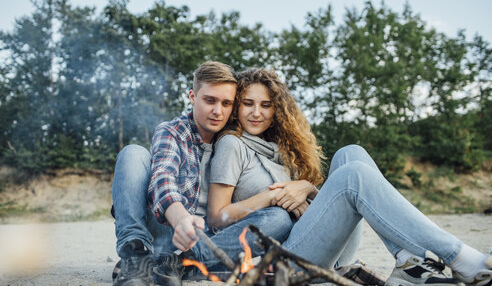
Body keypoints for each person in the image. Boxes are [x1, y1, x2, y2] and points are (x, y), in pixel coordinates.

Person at [207, 67, 492, 286]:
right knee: (352, 176)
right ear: (236, 107)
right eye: (248, 103)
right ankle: (462, 259)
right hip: (284, 262)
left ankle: (406, 257)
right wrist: (272, 196)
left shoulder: (280, 148)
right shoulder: (233, 144)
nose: (257, 113)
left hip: (322, 251)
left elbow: (316, 209)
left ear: (277, 109)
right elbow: (217, 217)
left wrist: (305, 186)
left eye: (266, 105)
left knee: (350, 153)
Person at [111, 62, 294, 286]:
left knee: (279, 219)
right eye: (210, 100)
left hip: (209, 241)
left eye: (226, 103)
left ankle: (181, 265)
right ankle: (136, 257)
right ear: (193, 96)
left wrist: (301, 186)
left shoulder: (236, 140)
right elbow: (162, 178)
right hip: (169, 228)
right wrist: (181, 220)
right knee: (133, 153)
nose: (218, 111)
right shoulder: (173, 132)